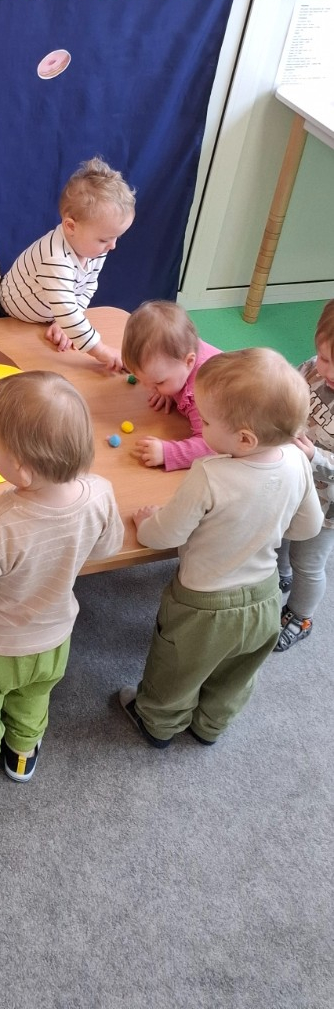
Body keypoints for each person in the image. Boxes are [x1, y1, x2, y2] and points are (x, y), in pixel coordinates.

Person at [118, 348, 323, 747]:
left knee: (177, 666)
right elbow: (308, 527)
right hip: (265, 598)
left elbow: (166, 535)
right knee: (237, 673)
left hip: (203, 605)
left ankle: (156, 723)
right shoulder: (298, 462)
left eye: (207, 422)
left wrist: (146, 523)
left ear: (245, 439)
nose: (201, 426)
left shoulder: (209, 474)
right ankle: (210, 726)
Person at [0, 372, 123, 804]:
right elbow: (107, 548)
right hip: (54, 637)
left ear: (20, 468)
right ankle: (22, 754)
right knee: (34, 695)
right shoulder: (100, 493)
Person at [0, 157, 134, 372]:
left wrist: (64, 324)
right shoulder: (55, 258)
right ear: (71, 226)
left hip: (51, 313)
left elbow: (88, 286)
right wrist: (102, 351)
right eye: (104, 239)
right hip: (10, 316)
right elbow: (67, 312)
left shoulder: (94, 249)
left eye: (116, 237)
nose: (112, 246)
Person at [275, 300, 334, 651]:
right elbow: (290, 393)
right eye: (324, 357)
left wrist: (314, 456)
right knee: (282, 534)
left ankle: (301, 616)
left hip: (327, 507)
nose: (327, 369)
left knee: (308, 561)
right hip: (294, 482)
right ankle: (281, 575)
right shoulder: (313, 369)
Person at [121, 300, 221, 469]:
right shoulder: (177, 355)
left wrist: (168, 453)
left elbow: (212, 446)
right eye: (141, 380)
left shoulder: (203, 393)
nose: (148, 389)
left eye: (158, 382)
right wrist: (166, 390)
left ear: (189, 362)